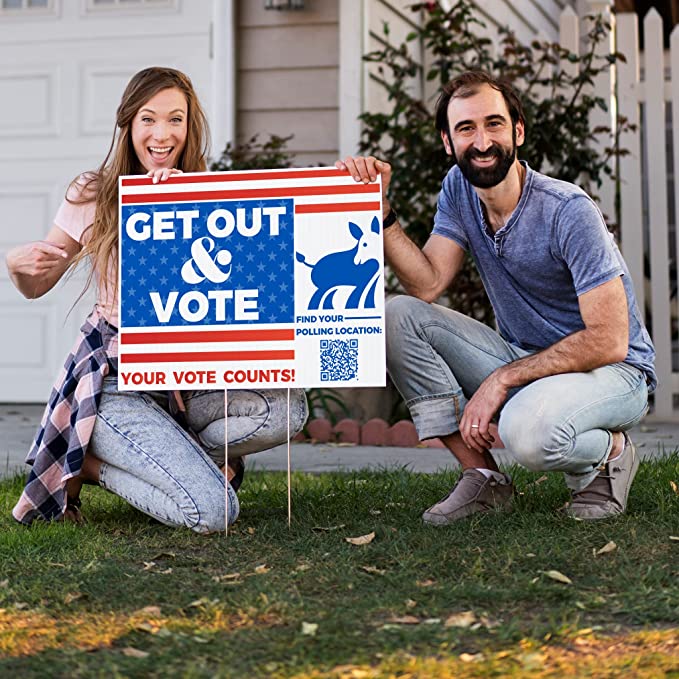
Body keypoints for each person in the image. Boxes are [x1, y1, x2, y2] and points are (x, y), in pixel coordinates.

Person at [338, 70, 656, 525]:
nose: (482, 141)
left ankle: (613, 451)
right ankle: (484, 477)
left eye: (494, 124)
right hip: (527, 359)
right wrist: (380, 211)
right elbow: (426, 284)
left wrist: (501, 380)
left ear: (518, 131)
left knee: (526, 434)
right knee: (398, 315)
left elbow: (609, 340)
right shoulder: (459, 189)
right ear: (448, 143)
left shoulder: (568, 210)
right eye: (466, 128)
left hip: (614, 372)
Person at [7, 67, 308, 532]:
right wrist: (16, 268)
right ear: (128, 125)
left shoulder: (212, 196)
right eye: (148, 119)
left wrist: (351, 183)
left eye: (175, 120)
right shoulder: (94, 193)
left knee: (289, 407)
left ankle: (167, 456)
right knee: (214, 511)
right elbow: (38, 283)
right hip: (117, 382)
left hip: (184, 385)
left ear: (190, 128)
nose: (162, 134)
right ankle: (89, 462)